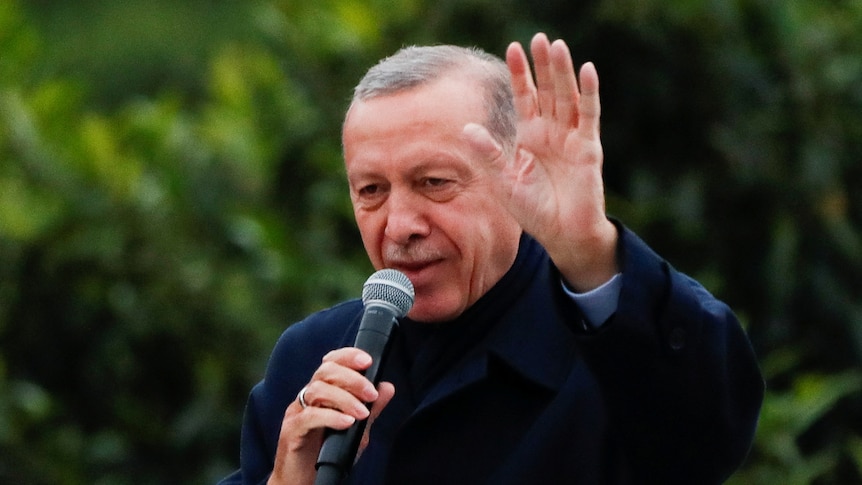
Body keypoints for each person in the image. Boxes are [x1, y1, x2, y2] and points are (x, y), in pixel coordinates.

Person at [219, 33, 764, 485]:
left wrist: (590, 250)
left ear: (518, 174)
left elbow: (711, 431)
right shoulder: (312, 362)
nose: (399, 225)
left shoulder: (608, 353)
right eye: (371, 190)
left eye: (433, 183)